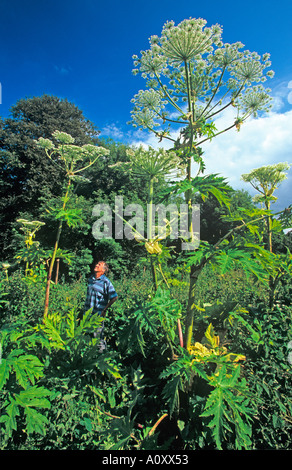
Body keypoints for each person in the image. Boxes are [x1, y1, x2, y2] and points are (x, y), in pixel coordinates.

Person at [84, 260, 118, 351]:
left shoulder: (106, 282)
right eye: (97, 264)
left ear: (103, 270)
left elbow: (114, 297)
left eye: (99, 265)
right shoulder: (91, 279)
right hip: (87, 314)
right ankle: (89, 358)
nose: (96, 265)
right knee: (87, 337)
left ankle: (101, 357)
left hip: (98, 315)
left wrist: (105, 309)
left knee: (98, 338)